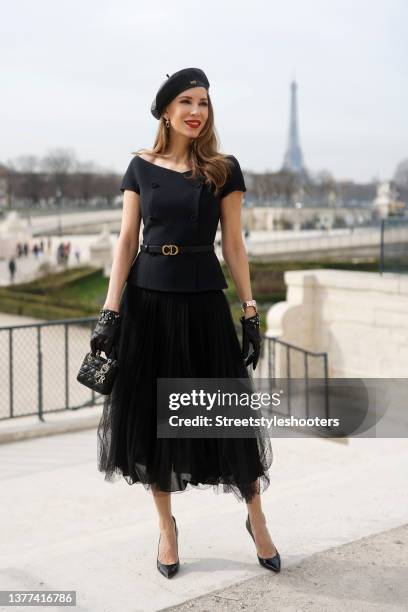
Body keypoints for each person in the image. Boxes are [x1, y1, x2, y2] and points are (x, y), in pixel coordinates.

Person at [91, 67, 280, 579]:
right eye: (187, 102)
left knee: (226, 418)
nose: (197, 111)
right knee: (153, 425)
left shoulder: (223, 169)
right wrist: (109, 313)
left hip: (201, 305)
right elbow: (126, 242)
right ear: (167, 112)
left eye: (203, 102)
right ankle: (167, 529)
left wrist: (249, 311)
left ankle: (257, 519)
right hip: (147, 305)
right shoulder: (140, 167)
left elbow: (234, 245)